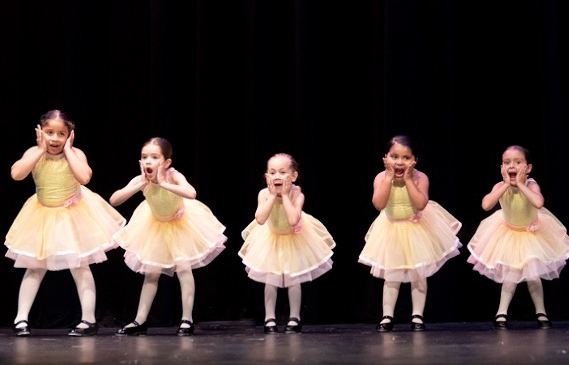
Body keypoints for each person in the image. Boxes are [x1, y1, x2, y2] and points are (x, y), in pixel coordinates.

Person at [5, 109, 126, 337]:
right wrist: (39, 149)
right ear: (40, 132)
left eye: (61, 134)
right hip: (42, 214)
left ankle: (88, 320)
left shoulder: (75, 153)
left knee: (80, 265)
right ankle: (21, 318)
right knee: (35, 266)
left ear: (70, 135)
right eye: (49, 132)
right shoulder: (34, 152)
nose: (54, 138)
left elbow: (84, 177)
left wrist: (69, 151)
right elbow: (17, 174)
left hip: (73, 214)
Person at [110, 137, 227, 336]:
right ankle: (140, 320)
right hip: (155, 226)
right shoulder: (141, 179)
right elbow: (114, 200)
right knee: (151, 273)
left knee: (183, 267)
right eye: (144, 157)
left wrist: (163, 183)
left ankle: (187, 319)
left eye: (154, 157)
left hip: (181, 224)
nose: (148, 161)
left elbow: (191, 193)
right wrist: (140, 185)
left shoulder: (173, 175)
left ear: (166, 162)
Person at [358, 135, 462, 332]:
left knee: (419, 273)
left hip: (417, 228)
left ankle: (417, 316)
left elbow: (421, 203)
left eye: (406, 158)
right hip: (390, 228)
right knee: (391, 275)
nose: (399, 162)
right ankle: (387, 316)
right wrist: (389, 179)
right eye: (394, 156)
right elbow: (379, 204)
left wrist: (407, 179)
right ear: (385, 158)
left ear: (414, 161)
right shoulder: (381, 178)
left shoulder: (420, 177)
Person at [467, 144, 569, 330]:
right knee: (511, 275)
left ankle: (541, 312)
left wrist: (521, 184)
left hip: (531, 235)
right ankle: (501, 313)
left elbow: (538, 202)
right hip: (508, 234)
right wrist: (506, 184)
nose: (511, 166)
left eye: (518, 162)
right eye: (507, 163)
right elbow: (486, 205)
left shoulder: (531, 185)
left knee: (533, 276)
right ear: (501, 168)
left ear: (528, 168)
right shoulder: (500, 186)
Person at [238, 153, 335, 334]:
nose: (277, 176)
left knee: (294, 278)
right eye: (272, 172)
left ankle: (294, 317)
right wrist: (274, 196)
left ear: (293, 176)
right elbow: (260, 219)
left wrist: (285, 195)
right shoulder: (264, 194)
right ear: (267, 177)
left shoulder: (297, 194)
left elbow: (292, 219)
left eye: (283, 172)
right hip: (271, 238)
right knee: (270, 279)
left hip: (294, 238)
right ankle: (269, 318)